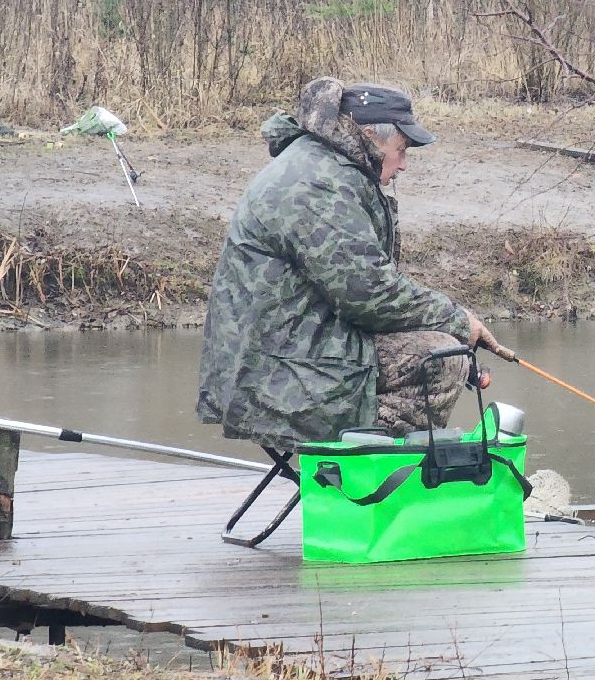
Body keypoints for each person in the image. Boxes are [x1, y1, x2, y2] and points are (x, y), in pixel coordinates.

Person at [196, 76, 504, 450]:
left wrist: (451, 322)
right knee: (441, 359)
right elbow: (367, 292)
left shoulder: (322, 164)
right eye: (401, 150)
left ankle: (364, 465)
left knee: (442, 347)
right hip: (273, 370)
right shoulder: (319, 182)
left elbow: (363, 282)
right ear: (370, 135)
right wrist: (457, 322)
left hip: (280, 350)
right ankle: (372, 474)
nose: (404, 164)